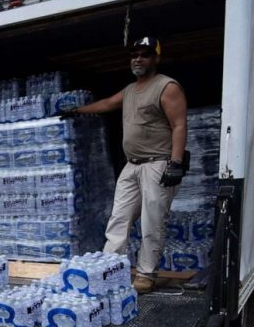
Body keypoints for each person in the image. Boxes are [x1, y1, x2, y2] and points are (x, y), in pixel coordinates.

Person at [61, 36, 188, 294]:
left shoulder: (167, 87)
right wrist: (78, 111)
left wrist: (175, 163)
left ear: (156, 58)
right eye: (135, 55)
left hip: (157, 164)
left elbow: (179, 125)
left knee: (152, 222)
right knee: (118, 218)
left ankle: (145, 274)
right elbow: (108, 103)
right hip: (131, 166)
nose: (138, 59)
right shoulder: (131, 90)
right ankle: (109, 268)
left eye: (145, 54)